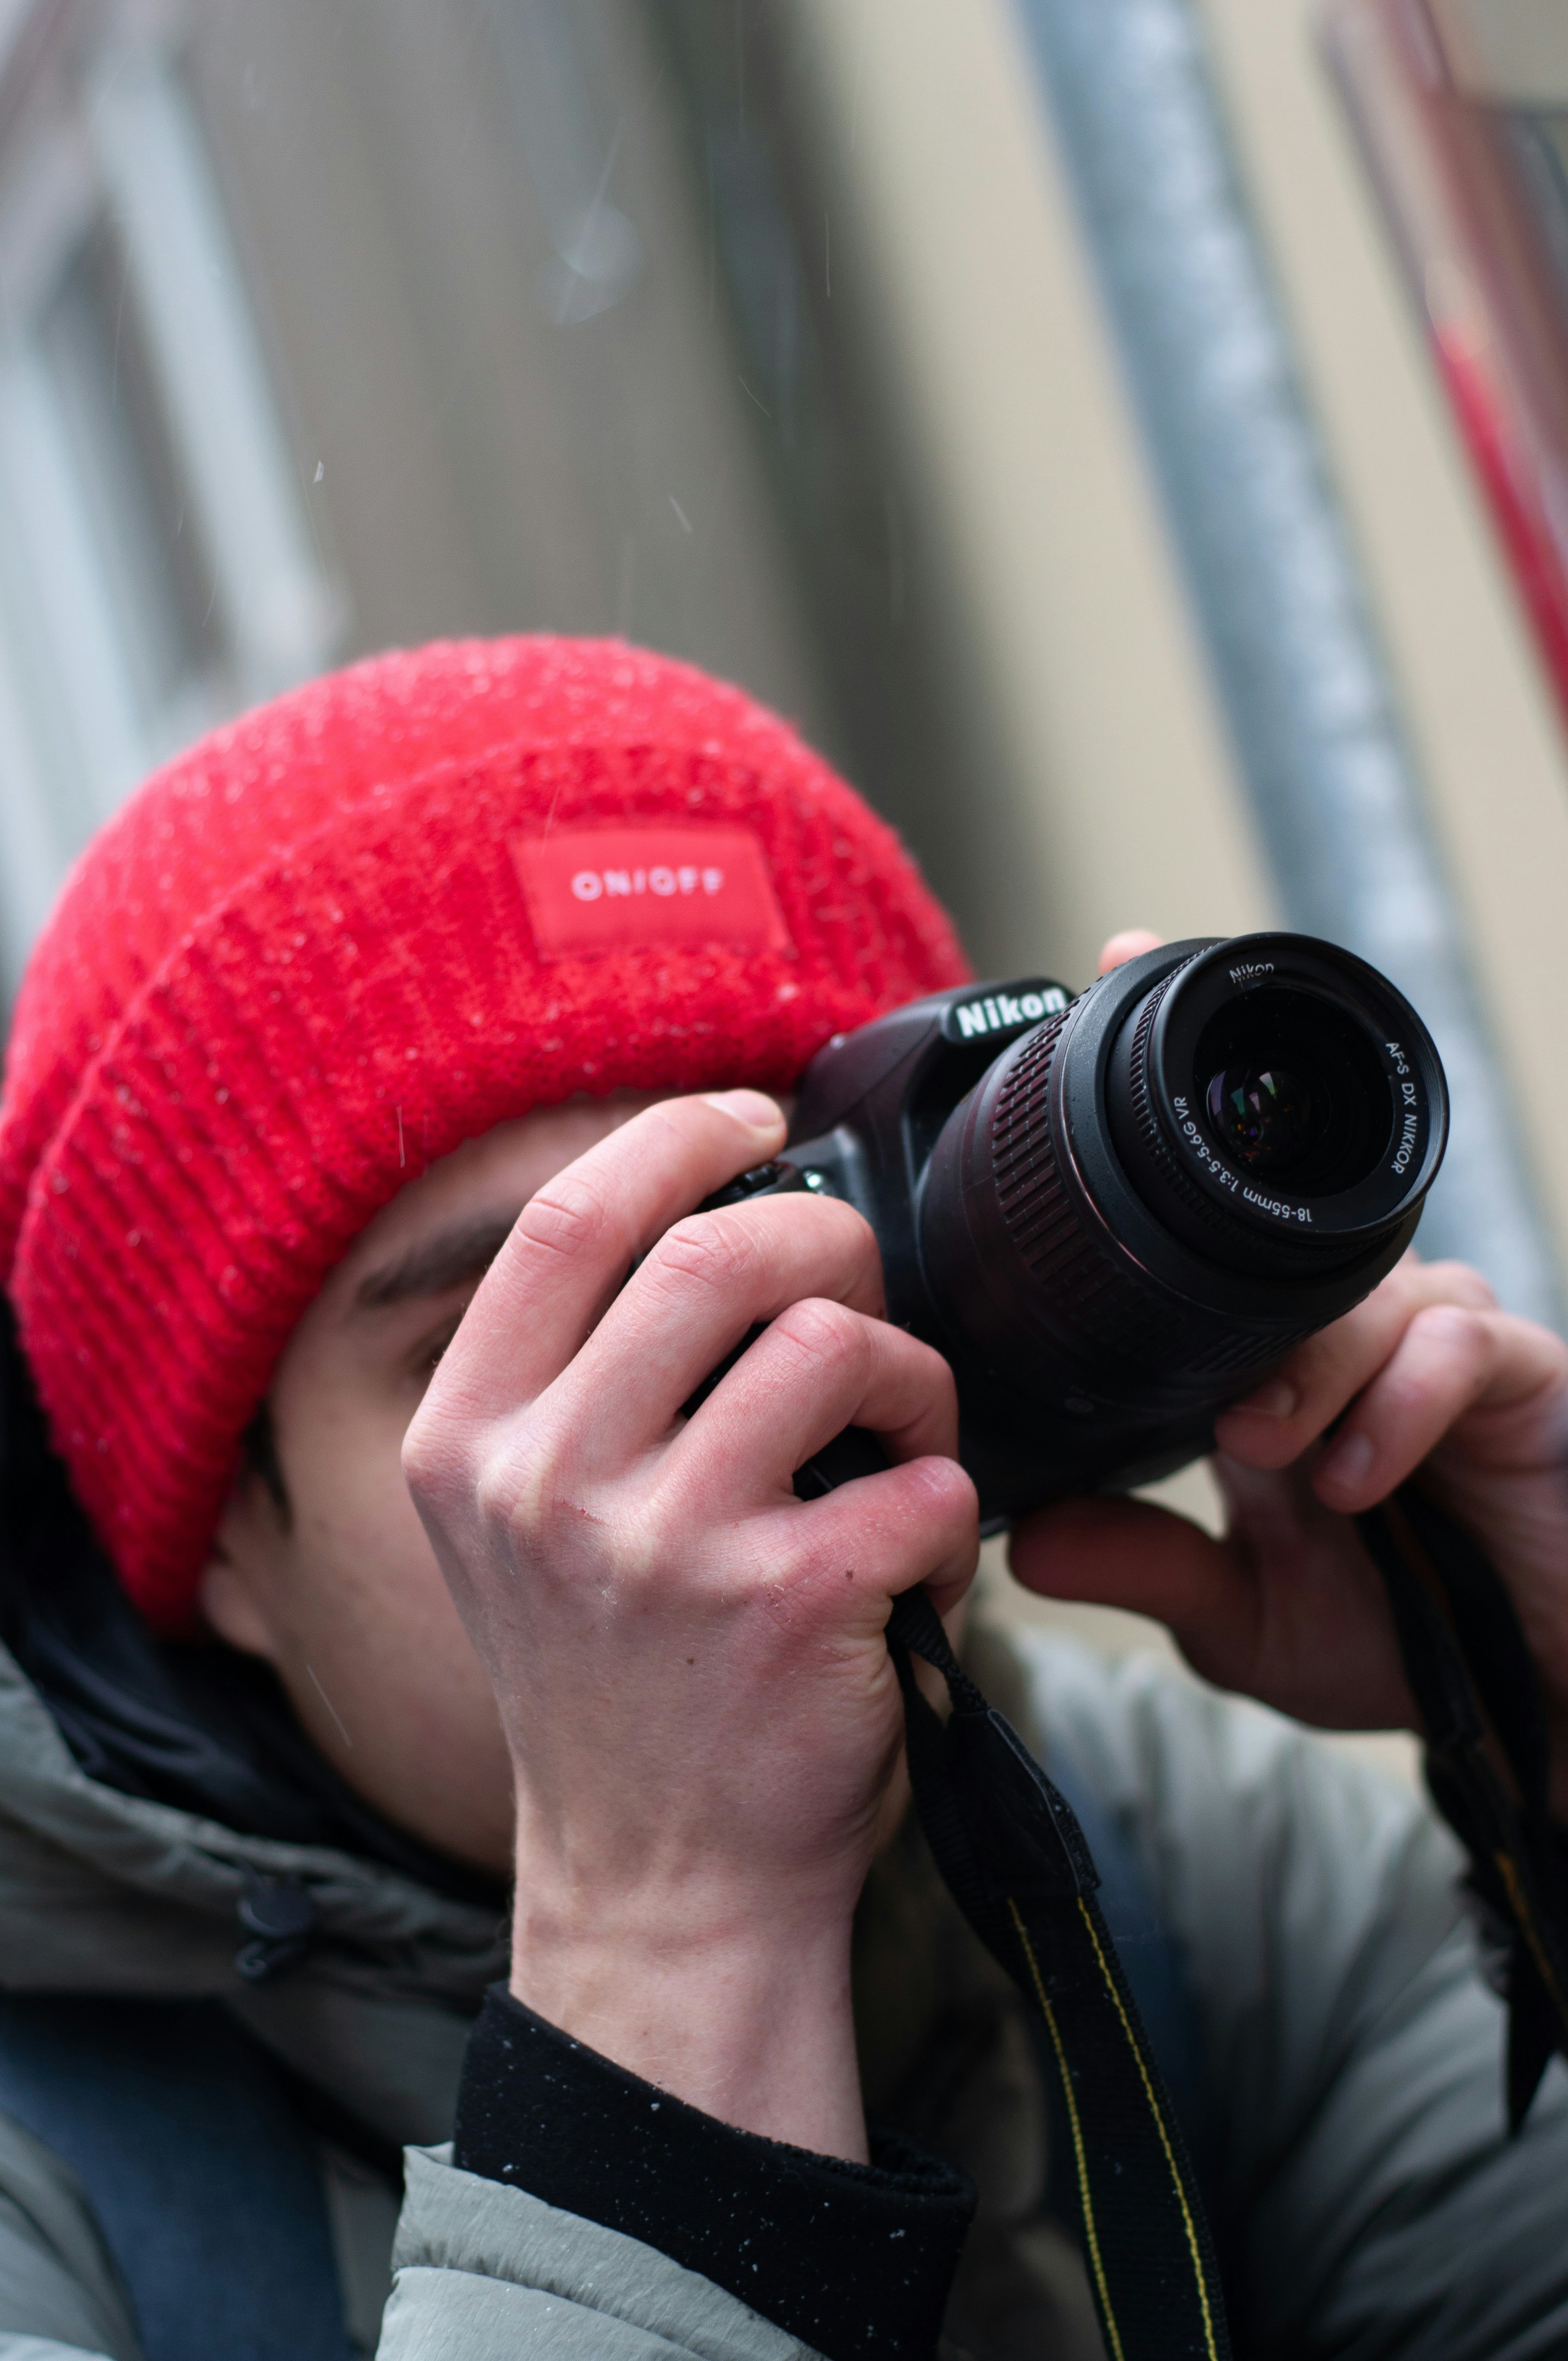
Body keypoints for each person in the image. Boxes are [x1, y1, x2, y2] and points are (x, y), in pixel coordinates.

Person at [0, 635, 1562, 2361]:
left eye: (797, 1230)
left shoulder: (1176, 1872)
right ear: (220, 1536)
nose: (736, 1398)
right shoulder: (51, 2191)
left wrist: (1547, 1735)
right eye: (528, 1331)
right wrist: (666, 1963)